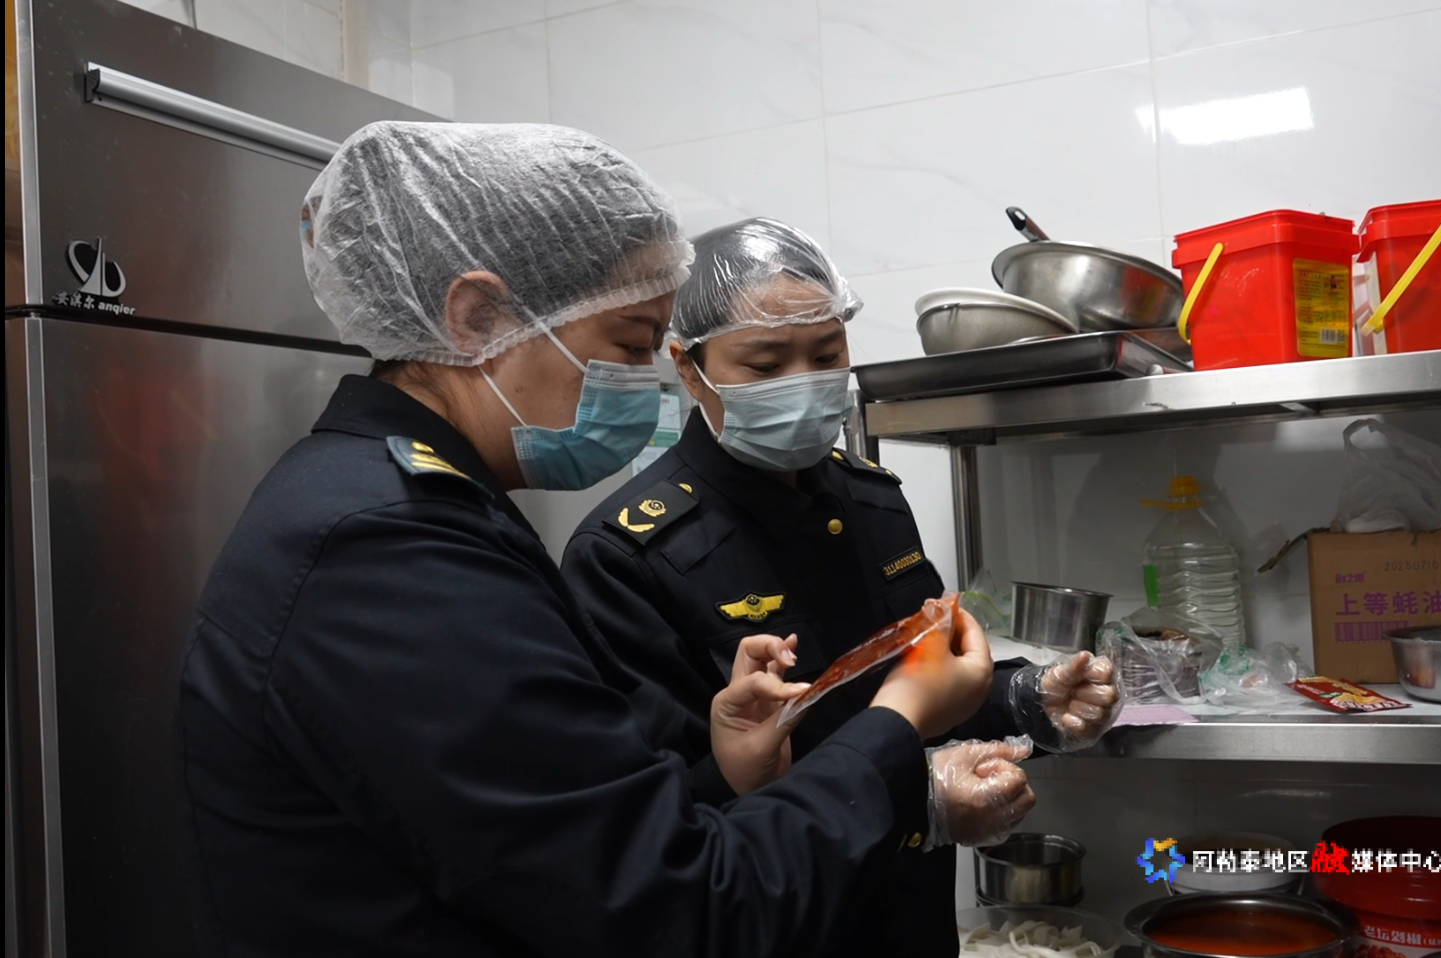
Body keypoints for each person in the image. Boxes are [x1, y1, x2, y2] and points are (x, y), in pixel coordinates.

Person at [176, 122, 1014, 958]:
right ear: (475, 318)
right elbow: (674, 909)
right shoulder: (389, 550)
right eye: (628, 345)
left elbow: (572, 835)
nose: (642, 385)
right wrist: (898, 718)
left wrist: (730, 771)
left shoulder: (409, 504)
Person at [561, 218, 1122, 956]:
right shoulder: (626, 555)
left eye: (827, 355)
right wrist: (914, 802)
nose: (803, 382)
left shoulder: (870, 498)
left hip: (911, 924)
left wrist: (1024, 699)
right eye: (765, 364)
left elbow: (917, 681)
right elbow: (659, 825)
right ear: (688, 369)